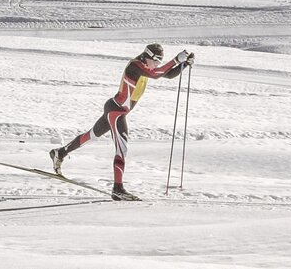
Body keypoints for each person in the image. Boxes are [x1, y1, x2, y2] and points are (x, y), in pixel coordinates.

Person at [49, 43, 193, 200]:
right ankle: (118, 189)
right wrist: (176, 60)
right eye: (157, 61)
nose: (158, 64)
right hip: (117, 112)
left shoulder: (146, 67)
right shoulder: (136, 65)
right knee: (121, 149)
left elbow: (167, 74)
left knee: (91, 136)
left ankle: (60, 153)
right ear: (150, 57)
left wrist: (184, 64)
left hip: (113, 109)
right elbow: (158, 73)